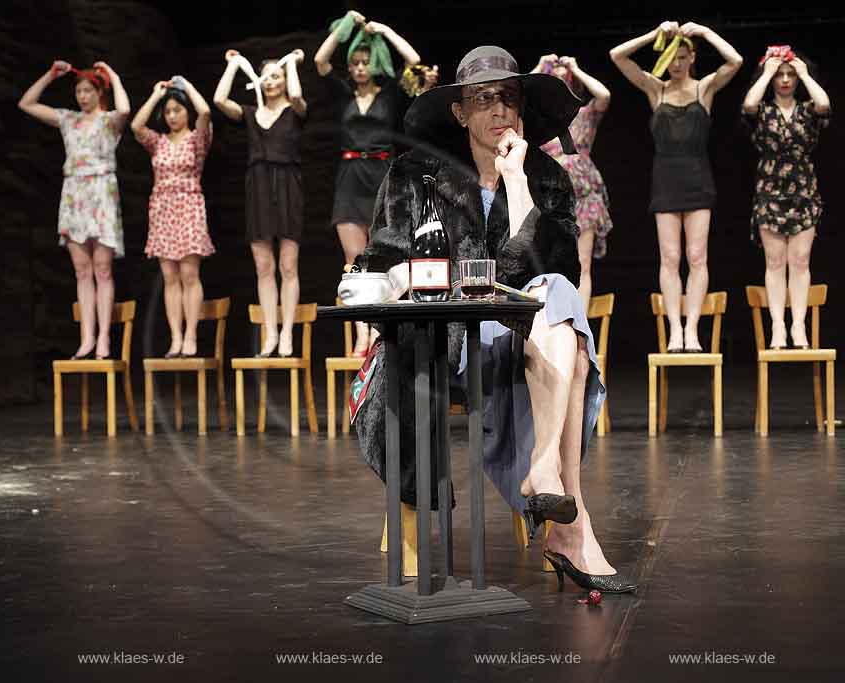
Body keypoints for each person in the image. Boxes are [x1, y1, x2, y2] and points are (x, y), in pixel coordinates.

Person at [354, 46, 635, 592]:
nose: (499, 111)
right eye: (484, 100)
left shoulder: (546, 176)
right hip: (439, 339)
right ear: (460, 112)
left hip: (519, 341)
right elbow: (382, 258)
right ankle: (568, 518)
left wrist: (516, 181)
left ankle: (548, 472)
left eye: (508, 98)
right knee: (571, 344)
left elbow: (557, 270)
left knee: (557, 297)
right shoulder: (417, 173)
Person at [610, 21, 742, 352]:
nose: (677, 64)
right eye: (672, 57)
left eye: (683, 57)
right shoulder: (657, 90)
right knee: (670, 257)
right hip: (665, 181)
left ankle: (693, 329)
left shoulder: (704, 88)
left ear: (692, 57)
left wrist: (704, 32)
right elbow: (617, 56)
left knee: (697, 256)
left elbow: (735, 62)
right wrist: (654, 35)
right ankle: (675, 331)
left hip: (698, 179)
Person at [314, 9, 422, 356]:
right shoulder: (344, 93)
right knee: (354, 260)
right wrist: (346, 24)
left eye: (366, 62)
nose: (360, 68)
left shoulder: (390, 93)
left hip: (382, 177)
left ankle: (383, 328)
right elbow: (320, 59)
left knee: (386, 254)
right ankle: (362, 331)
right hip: (349, 178)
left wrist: (385, 29)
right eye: (356, 62)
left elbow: (415, 61)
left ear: (374, 63)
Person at [19, 60, 131, 359]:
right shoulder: (68, 119)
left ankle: (105, 338)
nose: (82, 96)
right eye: (79, 91)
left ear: (98, 92)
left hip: (101, 193)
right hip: (74, 195)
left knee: (102, 270)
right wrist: (49, 75)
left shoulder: (108, 120)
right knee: (82, 271)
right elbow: (26, 103)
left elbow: (125, 110)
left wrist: (114, 75)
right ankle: (87, 338)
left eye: (87, 91)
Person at [213, 48, 308, 357]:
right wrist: (235, 65)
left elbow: (296, 94)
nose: (271, 82)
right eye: (266, 77)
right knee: (264, 266)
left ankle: (287, 334)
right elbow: (218, 100)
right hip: (259, 187)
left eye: (275, 76)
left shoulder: (295, 109)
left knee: (288, 265)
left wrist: (291, 63)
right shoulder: (251, 113)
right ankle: (270, 331)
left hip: (288, 185)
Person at [742, 47, 831, 349]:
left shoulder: (807, 109)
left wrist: (803, 71)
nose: (784, 80)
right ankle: (778, 326)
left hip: (804, 191)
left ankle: (798, 326)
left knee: (801, 260)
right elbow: (750, 104)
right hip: (770, 191)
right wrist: (768, 70)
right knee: (776, 261)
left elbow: (824, 104)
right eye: (780, 75)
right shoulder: (764, 111)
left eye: (788, 75)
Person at [131, 76, 215, 358]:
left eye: (177, 110)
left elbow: (205, 112)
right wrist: (157, 95)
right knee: (169, 276)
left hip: (189, 204)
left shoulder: (196, 139)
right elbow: (136, 126)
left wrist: (185, 87)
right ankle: (175, 338)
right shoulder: (159, 142)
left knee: (189, 274)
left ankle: (191, 335)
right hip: (163, 207)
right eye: (168, 112)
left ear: (185, 111)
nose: (172, 116)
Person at [533, 54, 613, 309]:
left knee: (583, 263)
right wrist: (539, 67)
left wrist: (576, 68)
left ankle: (580, 325)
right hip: (550, 197)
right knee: (548, 261)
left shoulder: (584, 114)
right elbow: (516, 97)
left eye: (564, 80)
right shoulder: (539, 119)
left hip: (584, 197)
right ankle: (552, 323)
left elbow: (604, 96)